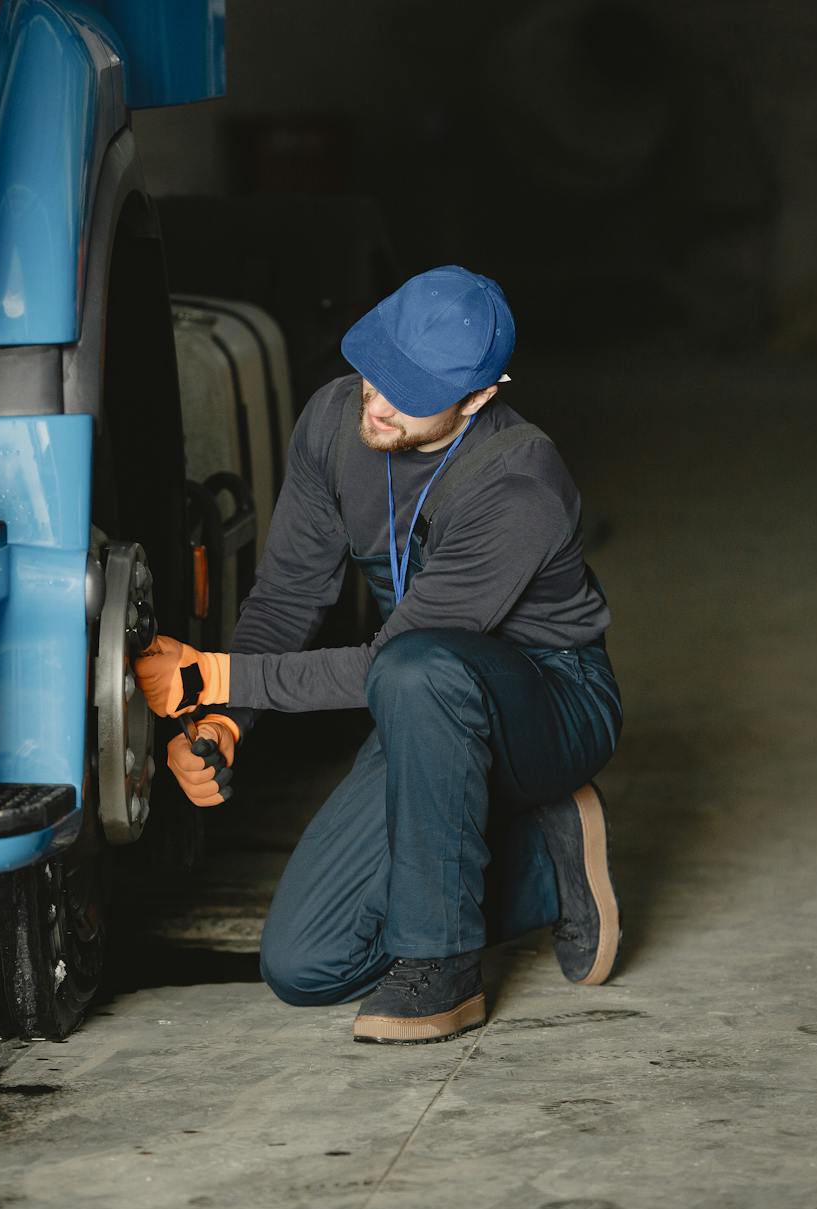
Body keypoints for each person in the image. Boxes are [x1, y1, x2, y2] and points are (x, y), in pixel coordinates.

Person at [133, 266, 622, 1044]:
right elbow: (291, 592)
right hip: (417, 702)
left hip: (548, 701)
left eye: (413, 390)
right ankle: (538, 863)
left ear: (479, 398)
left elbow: (386, 663)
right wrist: (227, 718)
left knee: (415, 669)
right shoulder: (336, 419)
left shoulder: (519, 481)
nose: (381, 401)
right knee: (306, 964)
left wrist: (211, 673)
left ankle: (445, 969)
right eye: (376, 369)